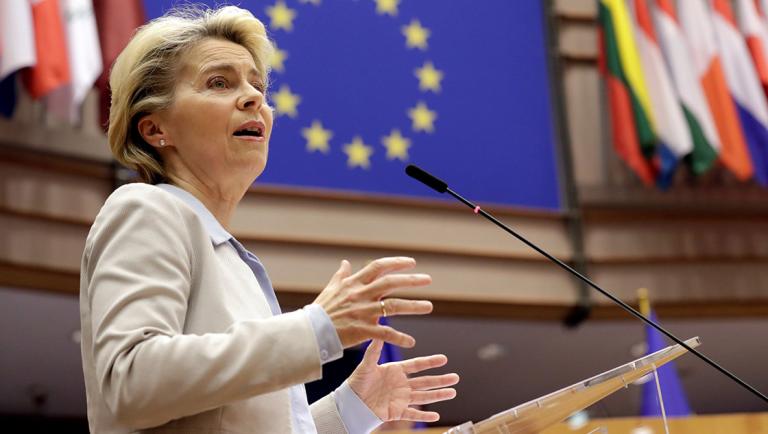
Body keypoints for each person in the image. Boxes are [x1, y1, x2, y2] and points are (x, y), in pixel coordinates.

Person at [78, 5, 459, 433]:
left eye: (257, 85)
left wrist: (352, 409)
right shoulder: (145, 210)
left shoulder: (233, 261)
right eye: (219, 83)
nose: (254, 98)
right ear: (154, 129)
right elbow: (130, 381)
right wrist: (316, 328)